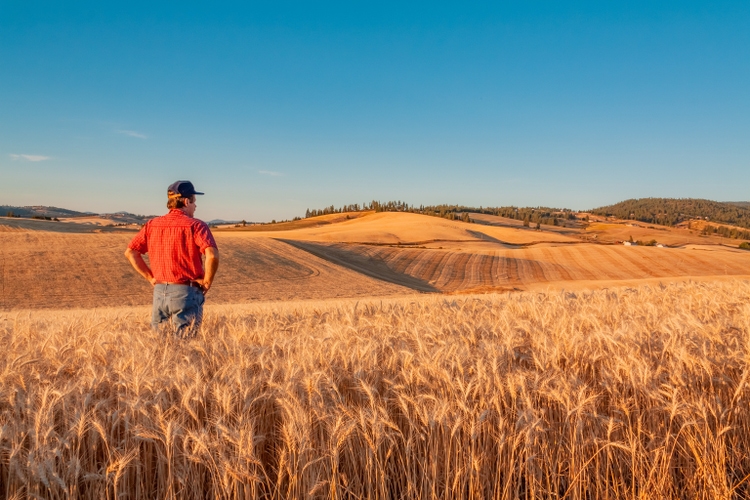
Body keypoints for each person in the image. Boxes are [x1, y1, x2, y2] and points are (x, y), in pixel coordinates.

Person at [124, 180, 220, 339]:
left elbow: (130, 252)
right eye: (194, 202)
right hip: (186, 292)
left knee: (160, 349)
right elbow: (212, 255)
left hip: (159, 292)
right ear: (187, 201)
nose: (195, 206)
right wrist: (207, 282)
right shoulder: (196, 226)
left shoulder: (151, 225)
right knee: (184, 347)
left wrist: (150, 278)